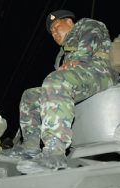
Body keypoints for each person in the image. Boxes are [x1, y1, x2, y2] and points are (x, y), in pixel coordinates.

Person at [14, 10, 119, 173]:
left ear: (69, 22)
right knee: (30, 95)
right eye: (52, 32)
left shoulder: (86, 25)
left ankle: (55, 152)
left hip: (101, 71)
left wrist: (79, 57)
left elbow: (92, 36)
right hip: (82, 77)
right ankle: (30, 147)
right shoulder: (62, 54)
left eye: (56, 27)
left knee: (56, 80)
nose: (54, 33)